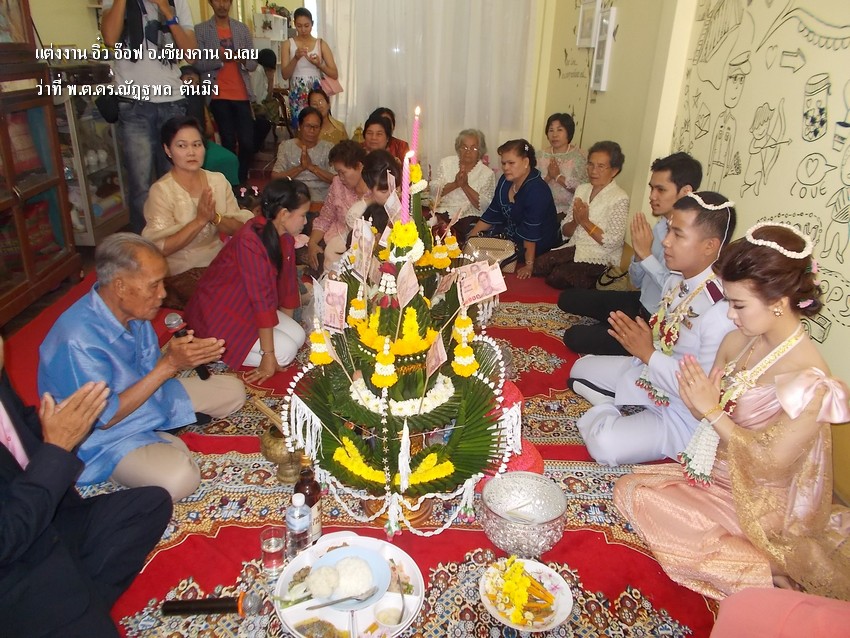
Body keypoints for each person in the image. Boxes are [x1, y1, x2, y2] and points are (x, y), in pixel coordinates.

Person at [614, 223, 850, 601]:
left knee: (654, 507)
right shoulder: (737, 340)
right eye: (728, 301)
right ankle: (754, 564)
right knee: (630, 489)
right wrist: (698, 404)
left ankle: (769, 567)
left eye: (739, 305)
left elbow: (769, 465)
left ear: (778, 301)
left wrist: (711, 411)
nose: (731, 314)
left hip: (761, 501)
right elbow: (708, 415)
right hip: (716, 471)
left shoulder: (811, 380)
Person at [38, 234, 246, 501]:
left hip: (148, 400)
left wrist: (181, 357)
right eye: (154, 285)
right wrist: (170, 364)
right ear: (120, 286)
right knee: (180, 478)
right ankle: (149, 444)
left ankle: (158, 432)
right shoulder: (76, 340)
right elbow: (105, 418)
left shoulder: (135, 311)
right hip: (105, 437)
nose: (163, 294)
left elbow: (150, 371)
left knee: (234, 391)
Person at [0, 335, 173, 637]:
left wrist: (65, 427)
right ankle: (74, 608)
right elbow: (6, 539)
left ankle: (79, 599)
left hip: (49, 518)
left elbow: (23, 428)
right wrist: (57, 449)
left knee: (150, 505)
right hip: (13, 563)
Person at [568, 192, 736, 465]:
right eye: (669, 230)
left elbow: (701, 393)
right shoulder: (678, 279)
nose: (666, 241)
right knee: (580, 369)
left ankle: (609, 407)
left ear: (709, 246)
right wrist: (645, 354)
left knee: (604, 446)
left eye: (678, 235)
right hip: (652, 375)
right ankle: (621, 403)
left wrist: (647, 354)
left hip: (681, 411)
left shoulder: (720, 312)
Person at [561, 152, 702, 355]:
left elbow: (676, 294)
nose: (652, 196)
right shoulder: (661, 225)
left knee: (574, 336)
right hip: (639, 302)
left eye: (661, 189)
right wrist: (639, 255)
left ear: (686, 192)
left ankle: (620, 332)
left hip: (655, 321)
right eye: (652, 188)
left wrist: (646, 256)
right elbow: (636, 281)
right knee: (568, 298)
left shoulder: (693, 239)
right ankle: (617, 325)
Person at [185, 179, 310, 384]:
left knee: (297, 336)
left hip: (248, 308)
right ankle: (213, 350)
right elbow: (261, 300)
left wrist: (285, 325)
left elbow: (287, 287)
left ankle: (258, 346)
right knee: (285, 354)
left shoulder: (285, 237)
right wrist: (268, 355)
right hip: (221, 313)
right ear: (284, 214)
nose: (305, 222)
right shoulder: (250, 240)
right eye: (303, 215)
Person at [100, 0, 197, 234]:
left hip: (172, 103)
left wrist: (165, 9)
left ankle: (178, 240)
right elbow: (110, 38)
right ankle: (143, 247)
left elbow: (191, 53)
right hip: (134, 105)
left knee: (176, 181)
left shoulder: (177, 2)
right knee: (140, 186)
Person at [142, 116, 254, 309]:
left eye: (197, 144)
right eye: (182, 146)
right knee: (226, 303)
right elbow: (160, 248)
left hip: (218, 261)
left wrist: (215, 218)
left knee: (257, 285)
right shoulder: (161, 191)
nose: (191, 152)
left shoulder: (217, 181)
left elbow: (240, 228)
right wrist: (199, 221)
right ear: (168, 150)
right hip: (180, 269)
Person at [533, 140, 629, 289]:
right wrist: (576, 222)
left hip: (600, 256)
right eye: (590, 164)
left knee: (559, 276)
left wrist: (585, 222)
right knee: (539, 264)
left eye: (601, 166)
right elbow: (565, 230)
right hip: (575, 248)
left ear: (614, 170)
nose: (593, 171)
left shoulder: (619, 198)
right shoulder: (582, 189)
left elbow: (612, 242)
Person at [469, 139, 560, 280]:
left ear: (526, 162)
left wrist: (529, 265)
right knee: (473, 236)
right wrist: (469, 240)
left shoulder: (537, 190)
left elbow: (531, 232)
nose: (506, 167)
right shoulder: (505, 181)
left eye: (511, 163)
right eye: (503, 163)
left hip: (538, 244)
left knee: (489, 255)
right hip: (511, 237)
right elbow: (492, 214)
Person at [194, 0, 258, 183]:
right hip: (217, 94)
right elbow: (197, 63)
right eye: (217, 1)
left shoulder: (242, 29)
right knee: (228, 140)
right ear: (210, 3)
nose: (221, 5)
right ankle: (230, 184)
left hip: (241, 93)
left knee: (247, 141)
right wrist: (220, 58)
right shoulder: (201, 30)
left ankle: (240, 179)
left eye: (225, 1)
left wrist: (243, 59)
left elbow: (253, 63)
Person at [307, 140, 369, 274]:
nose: (340, 178)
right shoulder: (337, 184)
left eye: (343, 172)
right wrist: (312, 243)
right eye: (337, 173)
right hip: (336, 242)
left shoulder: (375, 189)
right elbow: (325, 218)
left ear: (359, 166)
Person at [431, 129, 496, 243]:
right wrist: (455, 184)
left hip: (468, 217)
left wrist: (465, 186)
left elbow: (486, 206)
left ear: (480, 151)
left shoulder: (487, 173)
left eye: (473, 148)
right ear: (458, 148)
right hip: (442, 213)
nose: (468, 152)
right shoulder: (446, 163)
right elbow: (433, 191)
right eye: (464, 147)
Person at [179, 65, 240, 186]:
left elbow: (209, 131)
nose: (193, 86)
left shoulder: (198, 100)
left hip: (201, 140)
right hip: (182, 142)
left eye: (197, 83)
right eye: (189, 80)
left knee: (230, 158)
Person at [280, 7, 338, 127]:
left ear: (312, 24)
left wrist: (319, 64)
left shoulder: (321, 44)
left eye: (307, 26)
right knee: (300, 126)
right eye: (299, 26)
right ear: (294, 24)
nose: (303, 30)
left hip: (316, 91)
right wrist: (295, 58)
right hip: (297, 92)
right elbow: (285, 75)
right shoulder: (287, 44)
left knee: (320, 125)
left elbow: (334, 73)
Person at [271, 106, 334, 203]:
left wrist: (312, 167)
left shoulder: (328, 148)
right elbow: (275, 177)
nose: (312, 131)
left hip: (323, 197)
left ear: (320, 128)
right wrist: (300, 168)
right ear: (299, 126)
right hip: (293, 195)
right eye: (308, 126)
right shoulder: (286, 146)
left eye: (316, 127)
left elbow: (336, 179)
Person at [537, 113, 587, 219]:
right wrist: (548, 177)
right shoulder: (540, 156)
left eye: (559, 130)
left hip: (568, 212)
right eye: (551, 130)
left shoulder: (579, 156)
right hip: (541, 208)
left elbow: (583, 190)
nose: (554, 135)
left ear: (569, 132)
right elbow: (532, 187)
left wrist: (557, 176)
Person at [345, 149, 401, 230]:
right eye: (384, 191)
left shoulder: (400, 207)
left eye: (395, 188)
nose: (391, 194)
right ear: (370, 186)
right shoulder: (356, 214)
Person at [250, 48, 280, 152]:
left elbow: (268, 97)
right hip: (252, 108)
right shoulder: (258, 71)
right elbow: (256, 97)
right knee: (264, 124)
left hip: (258, 107)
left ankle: (255, 150)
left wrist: (271, 80)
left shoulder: (264, 73)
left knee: (266, 121)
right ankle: (253, 151)